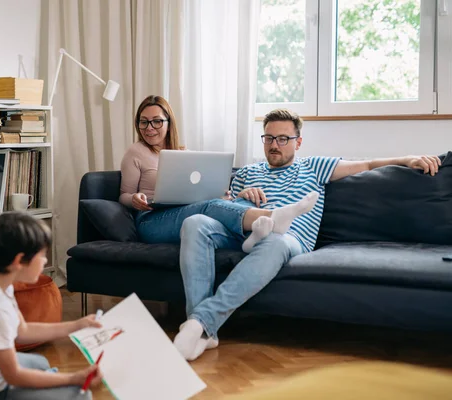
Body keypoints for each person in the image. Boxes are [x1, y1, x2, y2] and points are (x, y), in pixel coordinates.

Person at [173, 108, 442, 361]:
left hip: (289, 237)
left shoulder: (314, 166)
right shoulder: (246, 172)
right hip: (242, 231)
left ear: (298, 142)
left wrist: (407, 159)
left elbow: (368, 164)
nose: (274, 145)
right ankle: (204, 332)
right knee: (195, 222)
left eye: (282, 138)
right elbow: (224, 205)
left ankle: (200, 322)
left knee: (274, 242)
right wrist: (241, 196)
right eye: (268, 138)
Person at [0, 212, 103, 400]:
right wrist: (73, 378)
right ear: (19, 261)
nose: (45, 262)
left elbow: (22, 330)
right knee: (80, 395)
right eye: (42, 255)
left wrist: (77, 326)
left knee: (40, 363)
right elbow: (14, 376)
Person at [120, 95, 320, 247]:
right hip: (152, 221)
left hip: (181, 212)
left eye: (156, 121)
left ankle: (256, 234)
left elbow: (196, 192)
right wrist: (135, 199)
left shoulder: (183, 154)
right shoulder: (135, 152)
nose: (149, 128)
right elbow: (123, 196)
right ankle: (273, 217)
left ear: (168, 123)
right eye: (143, 122)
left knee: (223, 202)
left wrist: (219, 195)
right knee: (208, 207)